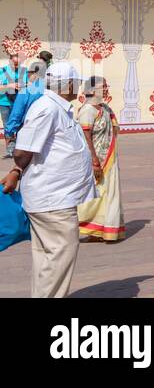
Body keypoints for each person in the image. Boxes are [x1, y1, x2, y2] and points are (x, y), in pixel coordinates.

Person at [1, 61, 96, 297]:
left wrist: (17, 171)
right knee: (57, 260)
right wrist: (17, 168)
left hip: (55, 197)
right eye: (77, 83)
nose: (79, 88)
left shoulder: (56, 107)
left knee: (48, 261)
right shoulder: (47, 108)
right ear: (69, 84)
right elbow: (24, 150)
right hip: (53, 200)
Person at [75, 76, 124, 243]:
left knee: (108, 194)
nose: (105, 89)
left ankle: (104, 229)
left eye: (106, 85)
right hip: (96, 160)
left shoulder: (105, 108)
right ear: (90, 90)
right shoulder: (87, 110)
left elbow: (115, 129)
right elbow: (84, 136)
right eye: (102, 86)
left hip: (109, 158)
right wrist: (94, 160)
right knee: (95, 195)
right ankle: (84, 224)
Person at [3, 57, 50, 156]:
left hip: (29, 131)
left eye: (28, 73)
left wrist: (9, 131)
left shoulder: (26, 92)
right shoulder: (54, 89)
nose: (28, 76)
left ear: (33, 73)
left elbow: (17, 114)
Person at [1, 51, 27, 158]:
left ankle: (19, 148)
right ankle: (9, 149)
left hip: (19, 102)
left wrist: (23, 85)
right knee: (8, 125)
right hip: (4, 102)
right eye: (15, 63)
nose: (17, 66)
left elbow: (29, 85)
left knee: (20, 124)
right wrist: (9, 86)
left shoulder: (24, 71)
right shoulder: (2, 71)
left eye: (18, 64)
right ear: (10, 61)